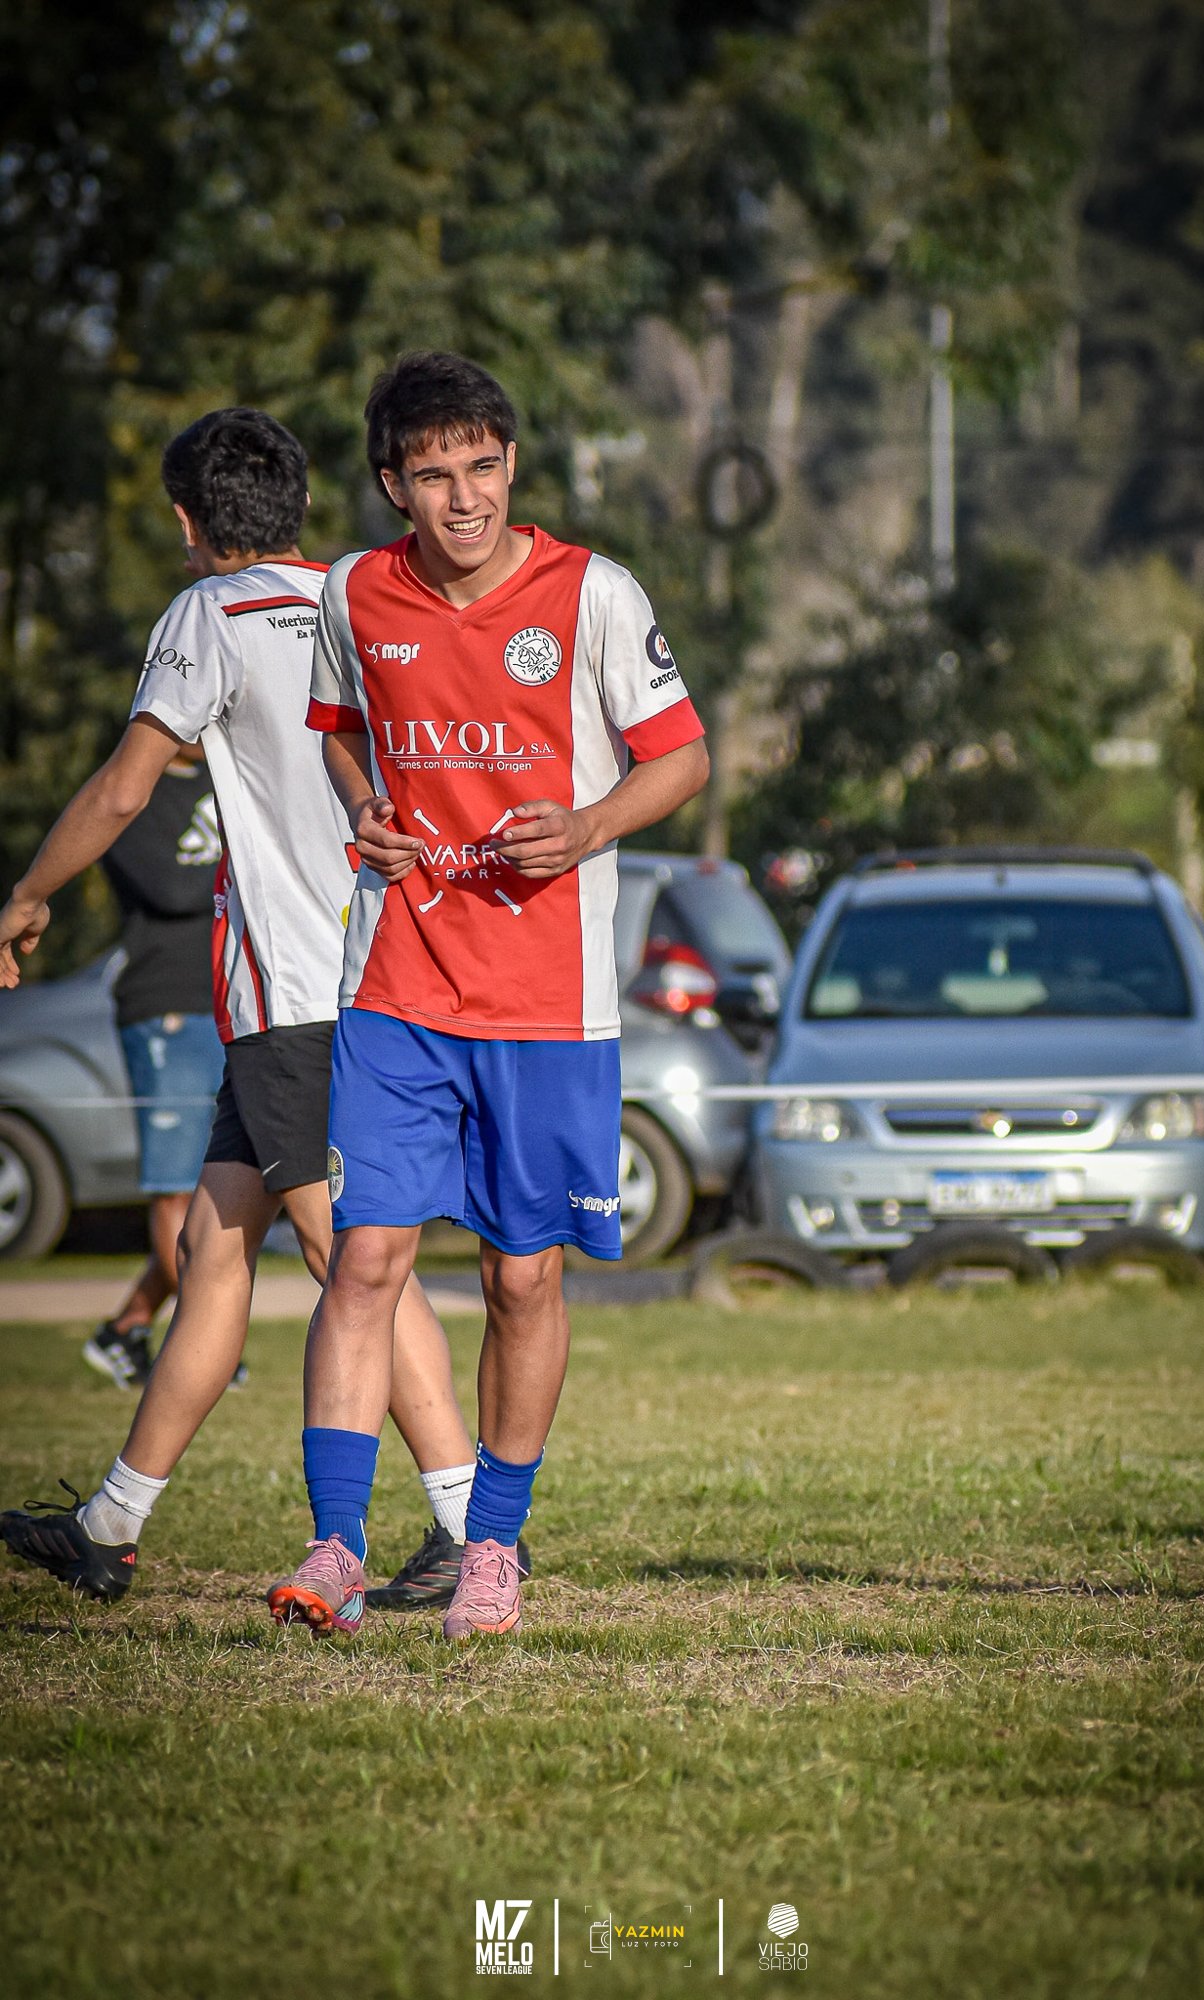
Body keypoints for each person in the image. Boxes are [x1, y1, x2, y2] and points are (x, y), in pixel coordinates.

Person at [0, 408, 488, 1612]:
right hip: (362, 978)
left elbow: (126, 790)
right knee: (212, 1253)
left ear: (187, 519)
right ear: (303, 504)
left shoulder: (209, 612)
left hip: (299, 993)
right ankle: (110, 1525)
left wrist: (26, 893)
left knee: (348, 1260)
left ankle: (468, 1528)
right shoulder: (362, 597)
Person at [265, 351, 708, 1642]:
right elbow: (343, 730)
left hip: (547, 1001)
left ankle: (492, 1549)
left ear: (510, 466)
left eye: (481, 468)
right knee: (365, 1258)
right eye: (433, 475)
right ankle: (335, 1547)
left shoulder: (592, 594)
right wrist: (366, 810)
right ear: (391, 485)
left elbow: (681, 759)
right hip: (397, 977)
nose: (462, 497)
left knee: (522, 1281)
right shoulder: (353, 591)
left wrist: (586, 826)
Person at [82, 743, 228, 1391]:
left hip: (236, 1003)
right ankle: (204, 1340)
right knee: (176, 1191)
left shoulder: (228, 772)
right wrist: (245, 860)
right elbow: (170, 886)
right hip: (168, 1005)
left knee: (231, 1190)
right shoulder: (126, 789)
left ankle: (126, 1327)